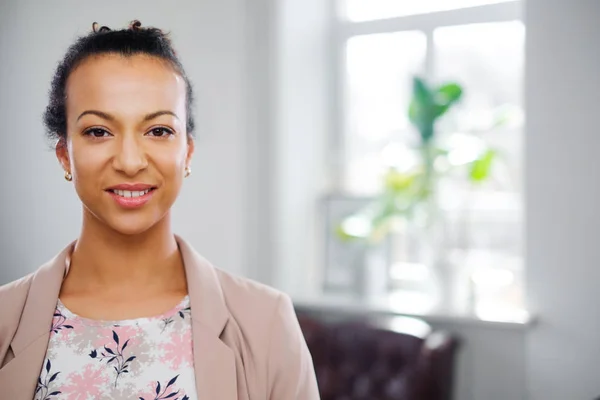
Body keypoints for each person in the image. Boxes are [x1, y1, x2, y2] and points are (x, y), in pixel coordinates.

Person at [0, 21, 319, 400]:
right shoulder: (5, 319)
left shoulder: (267, 322)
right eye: (99, 131)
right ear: (65, 155)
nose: (131, 162)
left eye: (159, 131)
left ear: (187, 152)